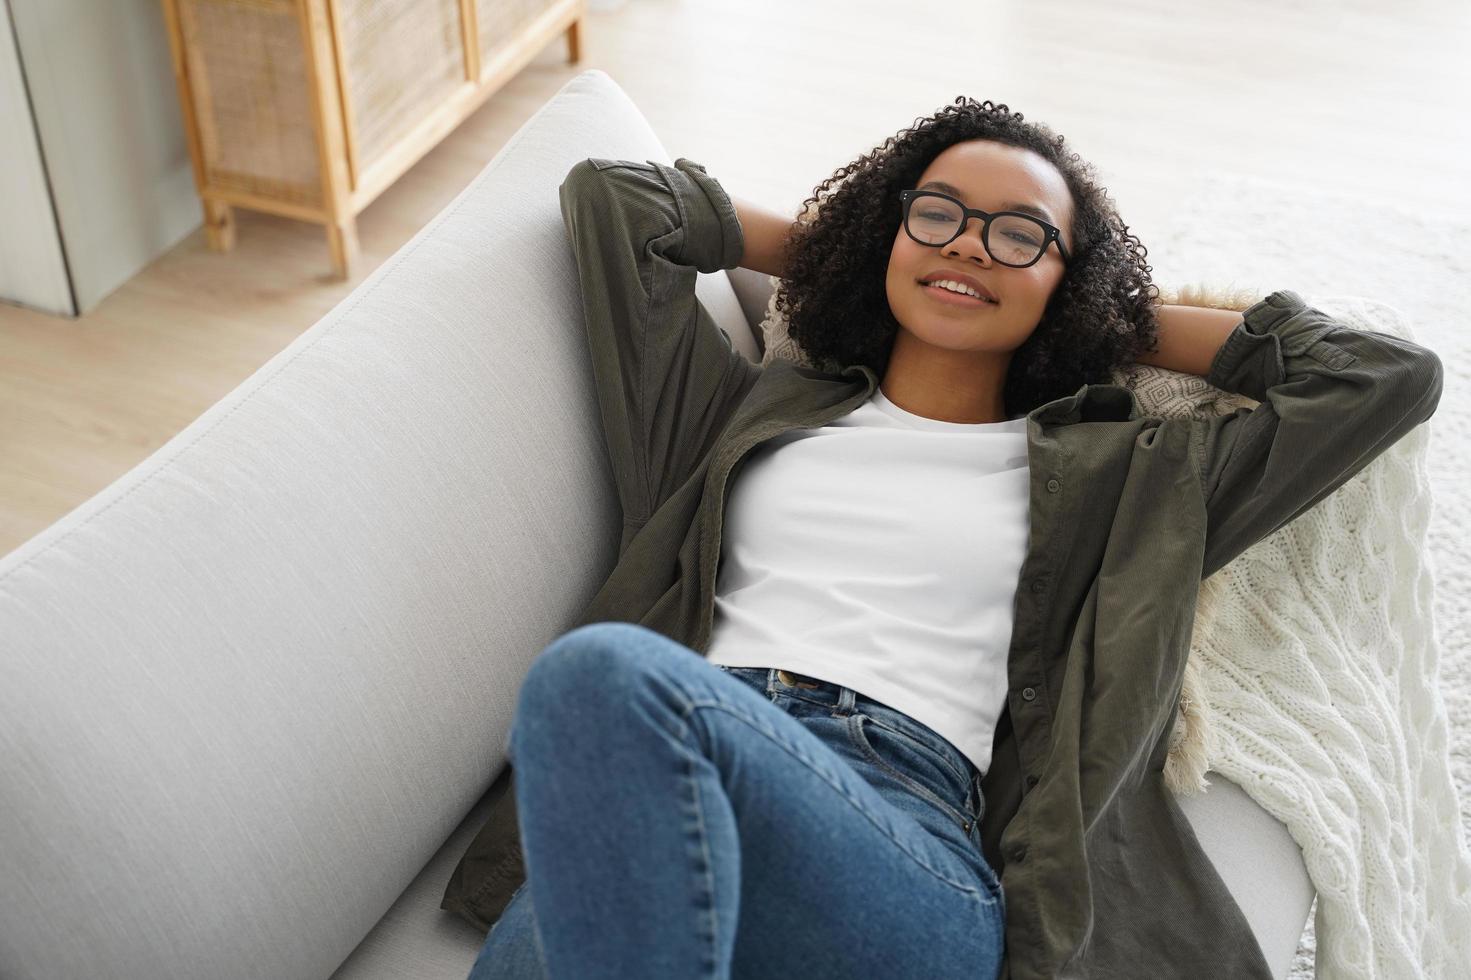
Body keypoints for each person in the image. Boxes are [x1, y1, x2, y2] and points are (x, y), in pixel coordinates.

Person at [457, 97, 1443, 979]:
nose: (970, 245)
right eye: (935, 215)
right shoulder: (738, 417)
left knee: (595, 677)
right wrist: (858, 252)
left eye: (1020, 236)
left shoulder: (1126, 478)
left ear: (1072, 279)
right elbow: (618, 202)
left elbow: (1381, 375)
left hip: (899, 836)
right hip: (666, 781)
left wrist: (1098, 321)